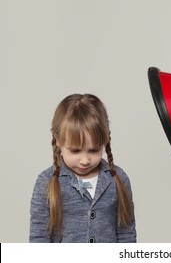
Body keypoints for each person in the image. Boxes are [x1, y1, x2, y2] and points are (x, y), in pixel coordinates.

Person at [30, 93, 136, 242]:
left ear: (105, 141)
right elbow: (39, 238)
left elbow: (127, 235)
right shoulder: (45, 182)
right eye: (75, 151)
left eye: (94, 150)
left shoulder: (118, 178)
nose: (85, 160)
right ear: (58, 141)